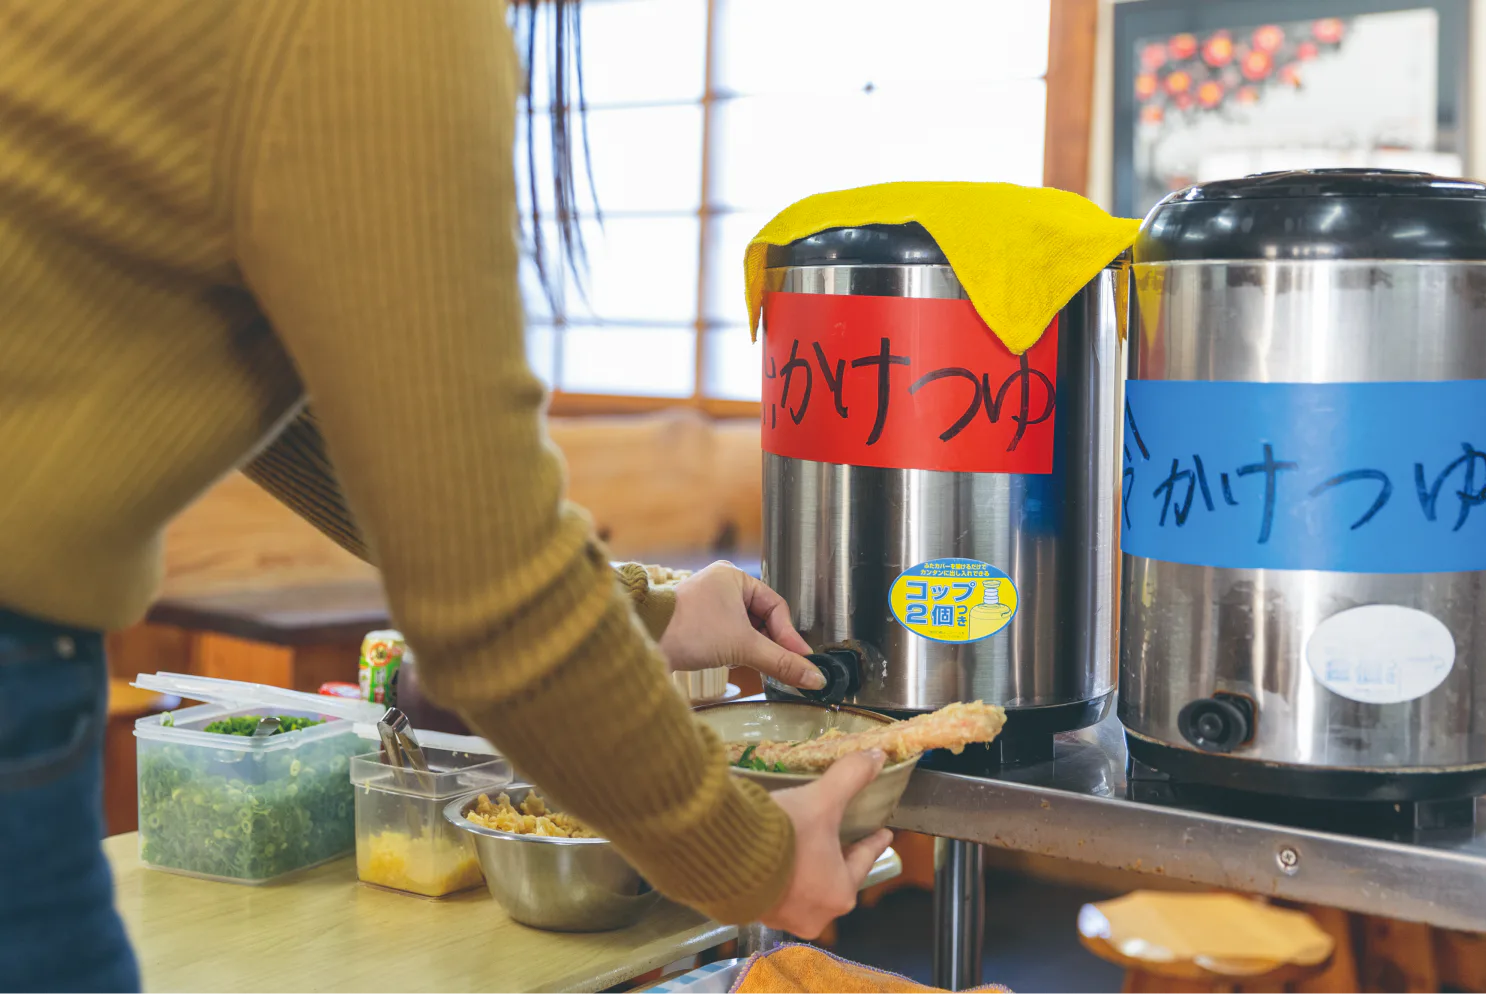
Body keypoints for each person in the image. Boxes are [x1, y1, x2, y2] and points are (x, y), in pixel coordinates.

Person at [0, 2, 893, 991]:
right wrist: (755, 858)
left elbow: (331, 410)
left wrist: (643, 611)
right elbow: (493, 600)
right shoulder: (372, 25)